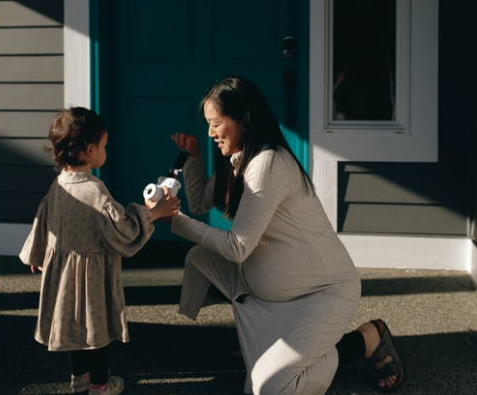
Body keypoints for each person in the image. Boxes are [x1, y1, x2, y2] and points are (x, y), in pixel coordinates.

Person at [169, 77, 404, 395]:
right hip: (265, 294)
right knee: (200, 259)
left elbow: (237, 247)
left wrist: (173, 219)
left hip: (320, 296)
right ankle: (267, 340)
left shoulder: (268, 164)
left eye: (215, 123)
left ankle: (362, 341)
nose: (210, 133)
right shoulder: (237, 163)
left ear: (243, 120)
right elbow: (199, 202)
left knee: (268, 389)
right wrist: (193, 158)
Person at [19, 107, 180, 395]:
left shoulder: (59, 185)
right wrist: (153, 214)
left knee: (73, 329)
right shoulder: (95, 191)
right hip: (92, 278)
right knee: (96, 331)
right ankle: (99, 385)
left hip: (64, 276)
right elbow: (124, 230)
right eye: (104, 146)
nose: (106, 150)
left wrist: (37, 253)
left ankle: (79, 379)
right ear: (90, 150)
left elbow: (44, 219)